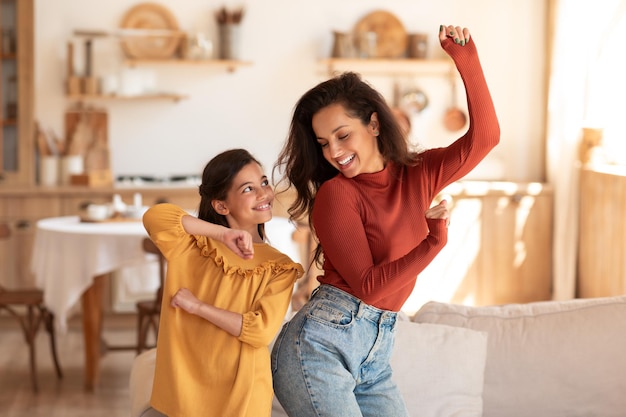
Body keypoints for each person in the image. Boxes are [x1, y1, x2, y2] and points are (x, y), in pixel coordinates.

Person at [270, 25, 500, 417]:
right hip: (319, 348)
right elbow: (370, 288)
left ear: (374, 124)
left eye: (343, 135)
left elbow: (485, 139)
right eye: (324, 143)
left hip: (374, 355)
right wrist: (433, 241)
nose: (334, 152)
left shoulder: (418, 172)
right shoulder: (337, 194)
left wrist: (468, 62)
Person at [142, 149, 303, 417]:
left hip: (242, 397)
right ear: (221, 206)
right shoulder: (193, 246)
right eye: (248, 188)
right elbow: (155, 217)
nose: (264, 194)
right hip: (184, 392)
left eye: (263, 182)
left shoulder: (280, 267)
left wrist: (198, 307)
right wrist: (224, 234)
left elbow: (260, 331)